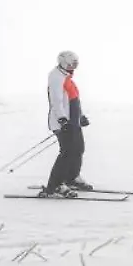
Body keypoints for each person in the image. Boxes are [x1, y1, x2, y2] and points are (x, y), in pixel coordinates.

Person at [42, 50, 93, 198]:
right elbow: (56, 101)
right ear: (64, 63)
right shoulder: (56, 77)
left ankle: (71, 178)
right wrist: (62, 119)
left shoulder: (67, 77)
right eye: (72, 64)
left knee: (78, 149)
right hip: (63, 123)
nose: (74, 67)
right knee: (67, 152)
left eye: (76, 64)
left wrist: (81, 116)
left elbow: (74, 99)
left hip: (73, 122)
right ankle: (55, 185)